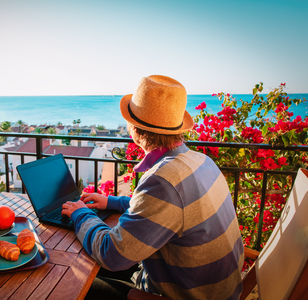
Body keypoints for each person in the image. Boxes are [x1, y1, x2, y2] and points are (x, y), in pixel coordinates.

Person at [61, 75, 244, 300]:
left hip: (189, 295)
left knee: (77, 280)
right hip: (220, 291)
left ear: (135, 130)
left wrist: (80, 214)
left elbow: (113, 255)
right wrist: (112, 202)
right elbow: (172, 210)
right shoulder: (201, 161)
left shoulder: (163, 180)